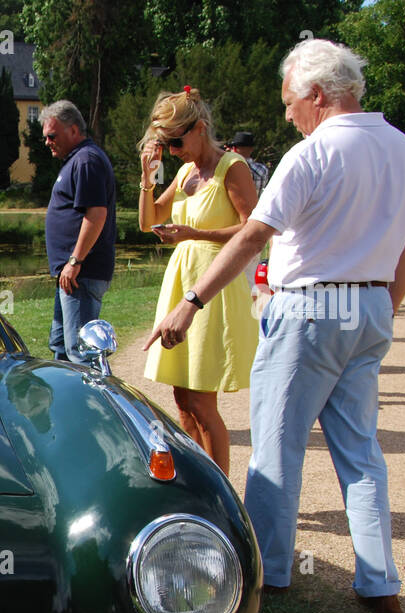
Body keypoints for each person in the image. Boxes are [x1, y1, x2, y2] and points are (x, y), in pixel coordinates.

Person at [146, 38, 405, 613]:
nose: (288, 113)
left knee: (275, 446)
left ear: (317, 95)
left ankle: (266, 574)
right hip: (369, 307)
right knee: (362, 453)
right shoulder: (404, 150)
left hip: (310, 307)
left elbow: (253, 235)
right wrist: (383, 307)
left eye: (290, 102)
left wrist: (192, 300)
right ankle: (380, 583)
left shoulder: (312, 154)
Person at [139, 88, 259, 476]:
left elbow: (253, 230)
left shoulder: (231, 167)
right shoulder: (186, 171)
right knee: (182, 400)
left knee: (203, 403)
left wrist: (194, 234)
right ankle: (199, 480)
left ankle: (220, 496)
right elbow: (147, 221)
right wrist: (147, 177)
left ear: (200, 128)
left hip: (212, 288)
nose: (172, 151)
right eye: (165, 144)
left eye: (176, 141)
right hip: (181, 282)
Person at [41, 99, 115, 359]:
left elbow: (96, 214)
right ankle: (66, 400)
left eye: (52, 135)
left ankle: (97, 401)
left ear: (73, 130)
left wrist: (75, 260)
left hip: (81, 274)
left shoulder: (86, 161)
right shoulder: (78, 160)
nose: (48, 141)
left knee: (82, 352)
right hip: (72, 275)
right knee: (61, 347)